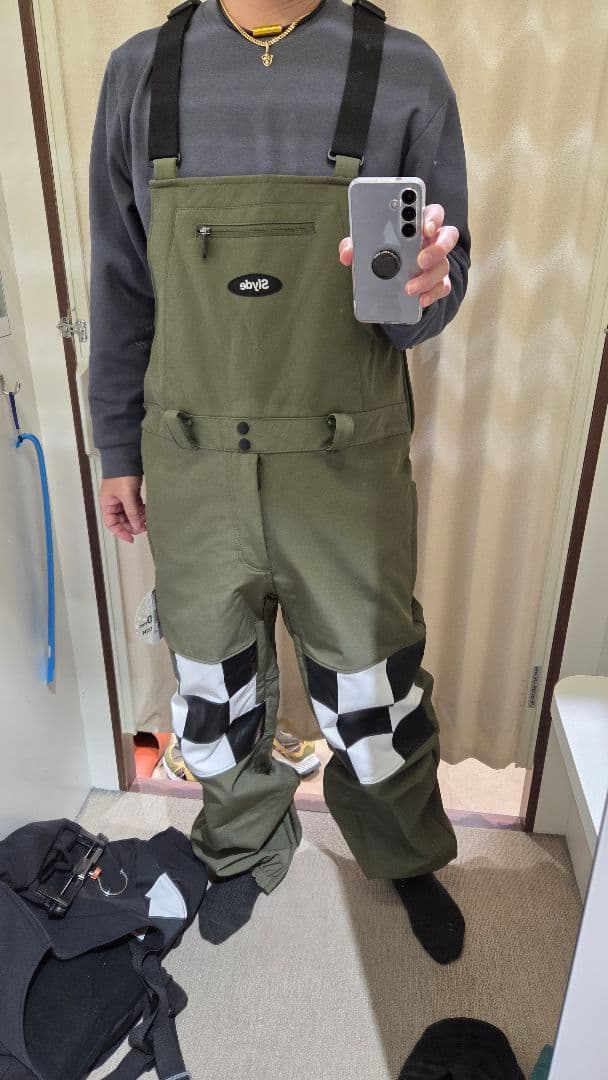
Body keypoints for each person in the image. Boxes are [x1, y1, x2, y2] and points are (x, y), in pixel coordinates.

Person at [88, 0, 471, 964]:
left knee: (373, 685)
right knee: (210, 681)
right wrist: (117, 448)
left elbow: (431, 291)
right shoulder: (140, 75)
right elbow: (122, 283)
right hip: (191, 458)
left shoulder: (405, 71)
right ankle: (241, 843)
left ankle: (402, 851)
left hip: (346, 467)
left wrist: (429, 285)